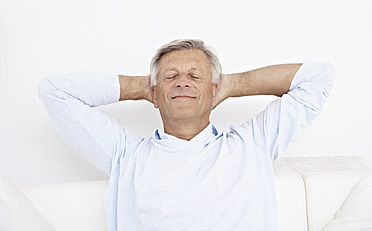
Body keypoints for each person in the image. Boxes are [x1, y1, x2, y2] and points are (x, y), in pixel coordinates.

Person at [39, 39, 335, 231]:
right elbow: (55, 91)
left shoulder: (252, 144)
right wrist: (148, 87)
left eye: (195, 76)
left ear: (215, 91)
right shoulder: (126, 155)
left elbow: (319, 77)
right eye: (171, 76)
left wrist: (228, 85)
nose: (182, 82)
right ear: (153, 94)